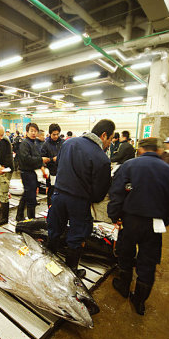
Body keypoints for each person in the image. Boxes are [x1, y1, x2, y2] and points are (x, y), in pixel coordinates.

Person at [107, 137, 169, 315]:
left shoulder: (129, 166)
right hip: (154, 224)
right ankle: (139, 301)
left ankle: (123, 286)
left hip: (130, 221)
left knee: (125, 253)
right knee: (148, 262)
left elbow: (117, 193)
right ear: (158, 150)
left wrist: (115, 216)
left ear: (141, 149)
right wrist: (163, 221)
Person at [47, 119, 115, 277]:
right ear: (104, 135)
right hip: (78, 202)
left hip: (57, 196)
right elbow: (99, 194)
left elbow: (59, 168)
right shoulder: (102, 158)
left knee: (54, 230)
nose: (110, 143)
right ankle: (71, 274)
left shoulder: (68, 144)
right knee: (76, 237)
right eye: (111, 139)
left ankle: (47, 265)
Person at [16, 122, 50, 221]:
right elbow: (26, 159)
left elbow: (36, 157)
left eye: (35, 131)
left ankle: (19, 215)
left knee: (27, 194)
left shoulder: (33, 143)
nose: (34, 133)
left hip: (33, 172)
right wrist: (41, 160)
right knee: (31, 197)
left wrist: (42, 165)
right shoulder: (25, 144)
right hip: (27, 173)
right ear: (27, 132)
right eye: (31, 131)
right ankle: (31, 219)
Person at [41, 123, 64, 207]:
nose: (56, 136)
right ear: (50, 133)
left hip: (62, 172)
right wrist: (52, 159)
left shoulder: (63, 143)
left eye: (57, 134)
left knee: (62, 193)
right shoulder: (46, 145)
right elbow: (42, 159)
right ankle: (51, 210)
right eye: (54, 134)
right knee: (51, 193)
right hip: (52, 173)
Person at [0, 135, 14, 226]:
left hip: (5, 170)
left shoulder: (2, 141)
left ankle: (4, 217)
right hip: (2, 168)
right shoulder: (2, 139)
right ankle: (2, 208)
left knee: (3, 193)